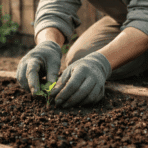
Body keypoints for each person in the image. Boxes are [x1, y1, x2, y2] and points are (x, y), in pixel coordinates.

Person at [16, 0, 148, 108]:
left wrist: (100, 63)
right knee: (82, 60)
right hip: (126, 16)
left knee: (100, 62)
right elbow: (55, 5)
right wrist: (47, 44)